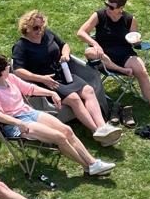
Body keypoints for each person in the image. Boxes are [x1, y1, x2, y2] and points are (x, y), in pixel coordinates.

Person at [0, 54, 116, 177]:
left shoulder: (10, 78)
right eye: (6, 66)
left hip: (28, 112)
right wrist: (19, 123)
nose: (9, 67)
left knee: (67, 130)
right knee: (59, 137)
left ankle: (93, 163)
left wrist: (51, 93)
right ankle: (87, 167)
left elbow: (30, 89)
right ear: (0, 72)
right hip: (14, 123)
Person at [11, 10, 122, 146]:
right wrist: (41, 78)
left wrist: (65, 54)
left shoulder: (47, 34)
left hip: (63, 73)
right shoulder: (21, 46)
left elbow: (64, 45)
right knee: (74, 98)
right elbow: (18, 70)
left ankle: (102, 127)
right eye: (35, 28)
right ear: (26, 28)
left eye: (42, 26)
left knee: (88, 90)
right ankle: (97, 131)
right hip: (46, 82)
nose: (40, 30)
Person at [77, 0, 150, 122]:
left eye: (111, 7)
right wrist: (95, 44)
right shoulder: (99, 15)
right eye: (106, 4)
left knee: (142, 70)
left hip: (124, 54)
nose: (107, 8)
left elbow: (134, 41)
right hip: (103, 54)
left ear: (121, 8)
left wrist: (136, 42)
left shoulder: (129, 19)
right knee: (89, 52)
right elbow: (81, 32)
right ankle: (122, 70)